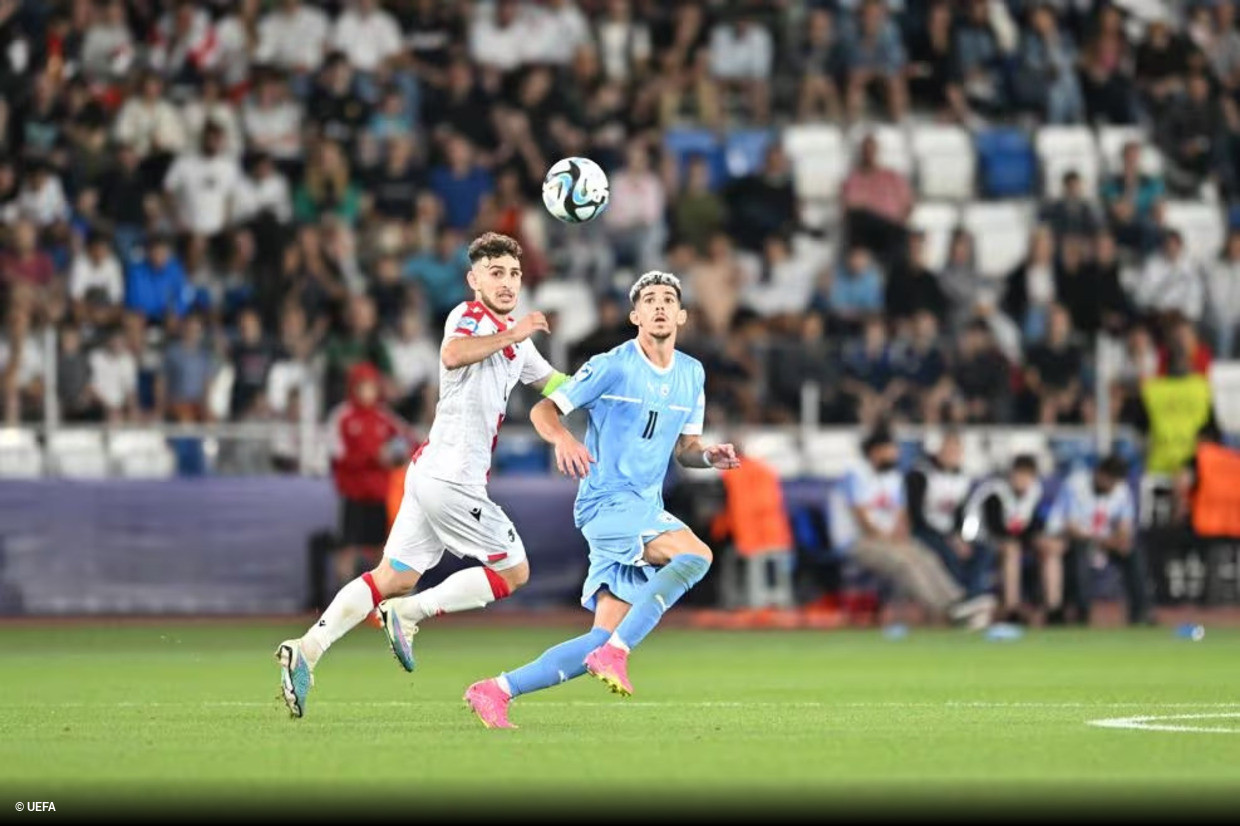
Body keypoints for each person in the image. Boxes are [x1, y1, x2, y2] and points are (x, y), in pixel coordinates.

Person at [275, 233, 564, 718]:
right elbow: (452, 355)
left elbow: (556, 384)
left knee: (393, 575)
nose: (508, 282)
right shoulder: (468, 317)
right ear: (474, 280)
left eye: (514, 273)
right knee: (514, 572)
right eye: (496, 272)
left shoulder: (517, 341)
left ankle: (305, 650)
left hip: (431, 473)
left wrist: (611, 385)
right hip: (451, 478)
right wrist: (514, 335)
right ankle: (410, 614)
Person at [462, 270, 741, 729]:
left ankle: (496, 690)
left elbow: (686, 450)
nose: (658, 306)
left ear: (682, 314)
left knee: (599, 636)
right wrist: (563, 442)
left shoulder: (693, 374)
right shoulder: (612, 364)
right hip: (606, 503)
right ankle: (618, 653)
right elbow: (542, 409)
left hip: (645, 507)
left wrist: (708, 455)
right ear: (635, 315)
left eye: (668, 299)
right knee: (697, 555)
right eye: (648, 299)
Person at [835, 426, 996, 629]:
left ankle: (960, 601)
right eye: (891, 449)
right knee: (904, 562)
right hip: (858, 542)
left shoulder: (892, 477)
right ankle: (946, 609)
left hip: (889, 540)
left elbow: (902, 515)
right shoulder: (856, 474)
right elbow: (863, 518)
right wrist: (889, 539)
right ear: (876, 451)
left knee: (924, 556)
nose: (896, 454)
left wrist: (899, 536)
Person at [1044, 455, 1148, 626]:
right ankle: (1082, 611)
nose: (1112, 487)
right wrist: (1103, 541)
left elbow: (1125, 525)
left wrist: (1120, 540)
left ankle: (1141, 611)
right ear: (1100, 474)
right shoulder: (1076, 485)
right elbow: (1072, 527)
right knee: (1080, 551)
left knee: (1132, 552)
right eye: (1110, 481)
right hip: (1072, 539)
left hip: (1104, 542)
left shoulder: (1121, 489)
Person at [962, 455, 1049, 624]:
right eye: (1019, 475)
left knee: (1048, 547)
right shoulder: (995, 492)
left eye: (1027, 476)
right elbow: (996, 528)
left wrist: (1035, 538)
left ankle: (1051, 607)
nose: (1023, 481)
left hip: (1012, 539)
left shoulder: (1035, 492)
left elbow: (1035, 524)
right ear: (1012, 474)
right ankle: (1011, 606)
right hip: (978, 539)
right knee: (1012, 549)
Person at [906, 432, 991, 598]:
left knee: (984, 549)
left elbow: (965, 513)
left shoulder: (964, 478)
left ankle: (974, 593)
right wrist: (948, 538)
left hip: (952, 533)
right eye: (949, 449)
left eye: (956, 450)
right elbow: (916, 514)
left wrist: (963, 537)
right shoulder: (921, 474)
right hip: (926, 531)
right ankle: (960, 597)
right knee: (946, 552)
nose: (952, 454)